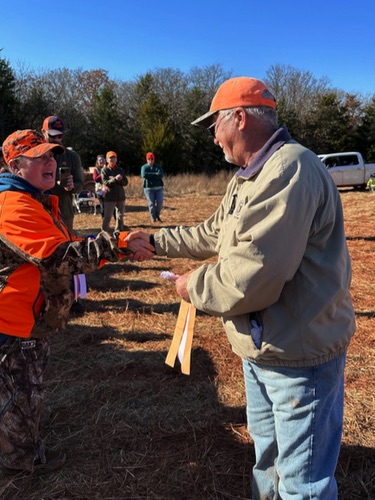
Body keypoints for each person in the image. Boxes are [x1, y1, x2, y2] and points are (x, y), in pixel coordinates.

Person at [125, 77, 356, 499]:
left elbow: (253, 277)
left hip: (299, 358)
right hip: (263, 349)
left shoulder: (290, 169)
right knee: (267, 462)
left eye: (215, 125)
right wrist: (156, 241)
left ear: (240, 118)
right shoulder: (249, 175)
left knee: (303, 483)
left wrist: (190, 286)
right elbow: (213, 232)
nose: (214, 137)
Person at [0, 129, 130, 476]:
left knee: (19, 393)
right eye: (40, 156)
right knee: (20, 399)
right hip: (13, 326)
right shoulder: (13, 205)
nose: (51, 163)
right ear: (15, 165)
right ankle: (20, 463)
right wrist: (118, 244)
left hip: (27, 322)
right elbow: (62, 257)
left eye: (53, 156)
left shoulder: (35, 200)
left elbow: (67, 240)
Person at [42, 115, 84, 234]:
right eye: (52, 135)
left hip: (64, 213)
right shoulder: (35, 156)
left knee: (65, 249)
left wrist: (72, 187)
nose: (56, 139)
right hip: (41, 212)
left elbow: (80, 184)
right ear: (43, 132)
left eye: (60, 136)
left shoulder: (72, 157)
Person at [101, 151, 128, 236]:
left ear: (116, 159)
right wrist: (115, 179)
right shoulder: (105, 170)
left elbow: (125, 182)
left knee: (120, 216)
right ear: (107, 160)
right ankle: (104, 232)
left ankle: (118, 232)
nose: (112, 159)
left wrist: (120, 180)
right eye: (110, 158)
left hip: (121, 197)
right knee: (108, 216)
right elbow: (105, 182)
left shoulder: (120, 170)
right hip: (110, 197)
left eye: (114, 158)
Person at [141, 152, 164, 223]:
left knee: (160, 202)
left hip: (158, 188)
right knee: (151, 203)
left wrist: (150, 175)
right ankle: (153, 217)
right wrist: (155, 174)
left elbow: (160, 175)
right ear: (147, 160)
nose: (151, 161)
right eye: (149, 159)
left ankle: (157, 215)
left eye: (152, 159)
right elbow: (144, 175)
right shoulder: (144, 167)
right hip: (148, 189)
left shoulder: (158, 167)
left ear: (154, 159)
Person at [93, 154, 107, 218]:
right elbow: (95, 179)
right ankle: (104, 220)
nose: (101, 161)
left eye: (102, 160)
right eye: (99, 160)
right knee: (103, 204)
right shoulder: (96, 169)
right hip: (100, 189)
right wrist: (102, 173)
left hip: (108, 189)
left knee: (111, 205)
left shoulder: (108, 168)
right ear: (97, 161)